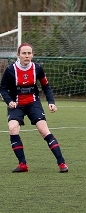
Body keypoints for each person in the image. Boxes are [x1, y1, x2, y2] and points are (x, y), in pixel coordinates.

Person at [0, 43, 68, 173]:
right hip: (16, 104)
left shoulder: (37, 68)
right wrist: (9, 101)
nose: (27, 56)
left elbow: (46, 87)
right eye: (24, 53)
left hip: (33, 103)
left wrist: (51, 102)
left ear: (32, 54)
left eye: (29, 53)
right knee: (13, 128)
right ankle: (22, 164)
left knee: (44, 130)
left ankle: (62, 163)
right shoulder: (10, 70)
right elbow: (3, 89)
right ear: (18, 55)